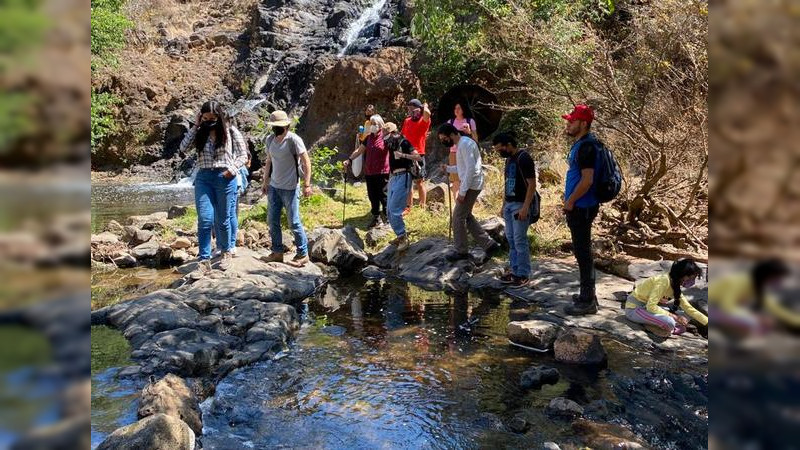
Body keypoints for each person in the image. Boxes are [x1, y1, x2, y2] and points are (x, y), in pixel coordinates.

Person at [178, 100, 248, 272]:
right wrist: (195, 126)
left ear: (219, 116)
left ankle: (225, 253)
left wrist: (231, 170)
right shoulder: (199, 132)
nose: (209, 121)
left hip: (225, 177)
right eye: (206, 117)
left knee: (223, 219)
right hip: (203, 178)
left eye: (212, 117)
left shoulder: (231, 131)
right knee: (205, 219)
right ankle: (204, 260)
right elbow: (183, 148)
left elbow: (243, 155)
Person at [561, 104, 602, 316]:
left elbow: (587, 181)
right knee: (582, 251)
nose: (568, 124)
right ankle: (588, 295)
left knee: (583, 253)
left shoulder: (587, 147)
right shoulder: (583, 144)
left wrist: (570, 201)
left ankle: (587, 301)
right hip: (581, 206)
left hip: (581, 207)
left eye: (572, 121)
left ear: (583, 124)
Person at [260, 110, 313, 266]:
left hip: (290, 188)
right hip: (274, 187)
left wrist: (307, 184)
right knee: (272, 220)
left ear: (286, 126)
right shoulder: (270, 140)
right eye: (274, 126)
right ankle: (277, 252)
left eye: (279, 126)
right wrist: (265, 181)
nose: (276, 128)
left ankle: (303, 254)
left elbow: (306, 162)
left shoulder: (294, 140)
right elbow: (269, 162)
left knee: (294, 222)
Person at [438, 123, 498, 261]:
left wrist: (462, 192)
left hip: (471, 186)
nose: (443, 142)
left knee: (458, 217)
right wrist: (448, 169)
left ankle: (462, 251)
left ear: (452, 134)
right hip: (471, 184)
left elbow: (471, 170)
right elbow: (462, 168)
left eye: (444, 138)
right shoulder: (461, 144)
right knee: (467, 216)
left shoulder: (465, 144)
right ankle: (489, 245)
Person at [708, 259, 800, 337]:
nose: (779, 282)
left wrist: (796, 321)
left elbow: (776, 309)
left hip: (729, 311)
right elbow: (727, 306)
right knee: (755, 323)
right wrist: (756, 318)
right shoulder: (738, 281)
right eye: (777, 279)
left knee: (765, 321)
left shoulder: (760, 287)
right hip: (713, 307)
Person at [492, 132, 537, 286]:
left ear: (509, 145)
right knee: (511, 240)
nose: (499, 152)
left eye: (500, 149)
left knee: (519, 240)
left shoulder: (524, 158)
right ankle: (514, 270)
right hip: (509, 204)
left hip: (520, 204)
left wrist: (525, 207)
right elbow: (507, 183)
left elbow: (532, 184)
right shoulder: (509, 160)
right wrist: (503, 204)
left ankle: (523, 273)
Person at [625, 258, 707, 337]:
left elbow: (689, 308)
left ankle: (659, 325)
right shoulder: (663, 281)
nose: (692, 281)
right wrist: (675, 317)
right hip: (635, 309)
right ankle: (653, 326)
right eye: (691, 278)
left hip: (647, 309)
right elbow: (651, 306)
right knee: (670, 322)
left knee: (687, 316)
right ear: (682, 274)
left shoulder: (675, 285)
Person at [382, 122, 422, 251]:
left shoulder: (403, 142)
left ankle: (403, 237)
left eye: (386, 135)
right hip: (394, 177)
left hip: (404, 176)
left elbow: (418, 157)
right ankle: (399, 236)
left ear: (393, 133)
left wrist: (403, 155)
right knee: (388, 210)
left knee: (395, 209)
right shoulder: (390, 144)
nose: (384, 138)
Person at [344, 114, 390, 228]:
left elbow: (393, 151)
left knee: (383, 195)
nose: (372, 126)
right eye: (371, 124)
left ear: (380, 125)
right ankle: (376, 217)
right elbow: (359, 151)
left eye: (375, 124)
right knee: (372, 196)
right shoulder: (368, 138)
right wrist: (349, 160)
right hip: (369, 172)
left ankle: (388, 218)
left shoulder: (385, 137)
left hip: (382, 171)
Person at [401, 98, 431, 212]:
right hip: (407, 155)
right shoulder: (407, 121)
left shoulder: (423, 121)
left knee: (420, 181)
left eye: (413, 108)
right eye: (409, 108)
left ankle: (423, 206)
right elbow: (402, 136)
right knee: (408, 182)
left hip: (419, 154)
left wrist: (424, 107)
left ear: (419, 109)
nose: (410, 110)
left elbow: (427, 113)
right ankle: (409, 207)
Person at [447, 102, 479, 196]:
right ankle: (456, 202)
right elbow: (446, 138)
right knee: (455, 179)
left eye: (459, 108)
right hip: (453, 152)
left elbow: (475, 140)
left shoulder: (470, 121)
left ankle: (465, 199)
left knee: (466, 176)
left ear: (463, 110)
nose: (456, 110)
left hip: (467, 152)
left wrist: (469, 132)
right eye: (455, 108)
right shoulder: (450, 122)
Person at [227, 151, 251, 256]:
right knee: (232, 212)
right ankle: (230, 244)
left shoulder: (232, 139)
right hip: (235, 181)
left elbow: (247, 155)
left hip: (233, 180)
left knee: (231, 212)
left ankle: (230, 244)